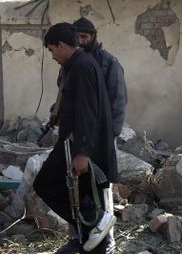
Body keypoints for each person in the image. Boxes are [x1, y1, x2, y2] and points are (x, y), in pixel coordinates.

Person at [33, 22, 117, 254]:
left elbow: (88, 112)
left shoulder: (82, 67)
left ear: (61, 45)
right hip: (72, 142)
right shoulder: (76, 65)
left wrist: (82, 153)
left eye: (52, 50)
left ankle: (96, 219)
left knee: (46, 183)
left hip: (81, 145)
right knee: (74, 193)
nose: (52, 56)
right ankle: (85, 238)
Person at [55, 17, 127, 254]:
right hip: (75, 138)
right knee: (73, 188)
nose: (81, 42)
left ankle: (107, 242)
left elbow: (117, 101)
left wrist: (110, 137)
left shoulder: (108, 63)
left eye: (85, 37)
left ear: (93, 36)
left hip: (100, 140)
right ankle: (78, 238)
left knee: (100, 188)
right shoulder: (70, 64)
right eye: (78, 38)